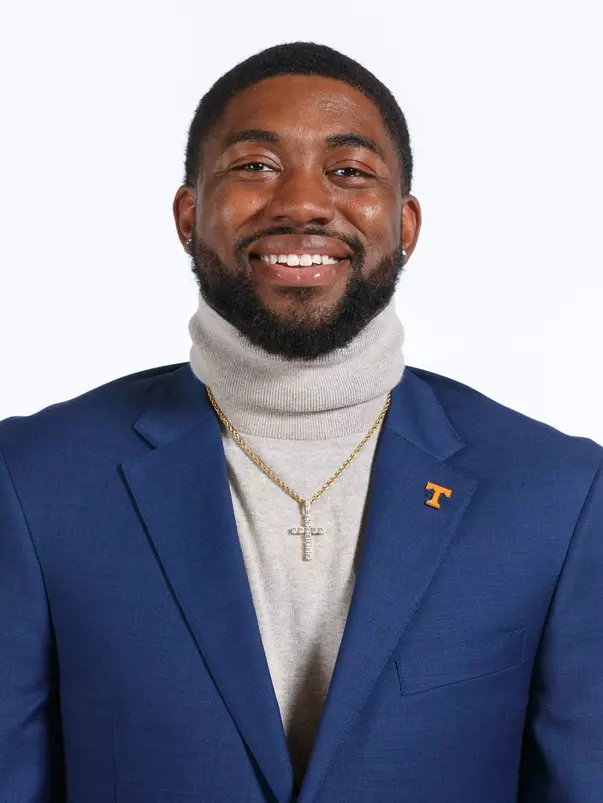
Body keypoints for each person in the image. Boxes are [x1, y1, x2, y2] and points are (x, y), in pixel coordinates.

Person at [0, 41, 601, 803]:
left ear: (405, 224)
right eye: (254, 166)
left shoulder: (559, 494)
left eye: (349, 172)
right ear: (188, 215)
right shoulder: (31, 481)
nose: (302, 203)